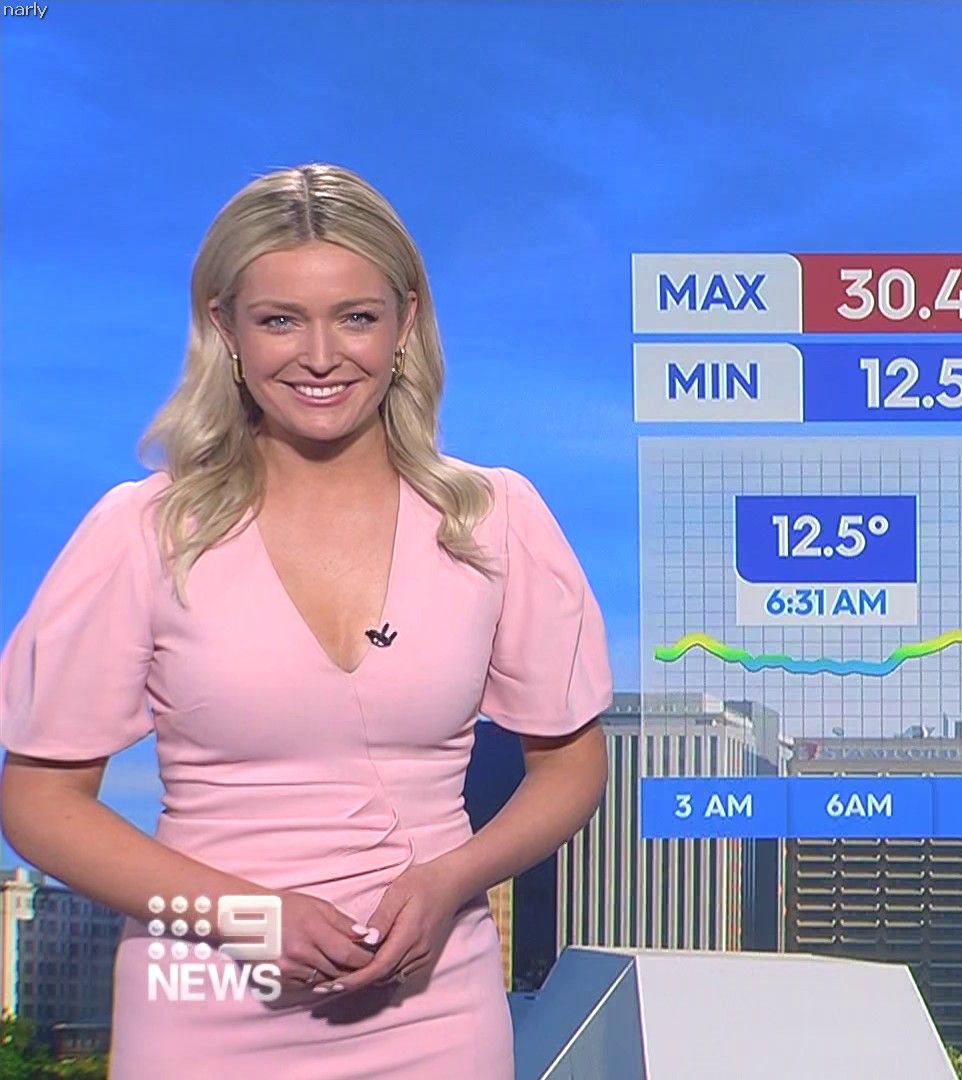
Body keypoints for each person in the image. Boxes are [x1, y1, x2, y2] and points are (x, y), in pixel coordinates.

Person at [0, 163, 613, 1078]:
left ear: (405, 324)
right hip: (203, 1004)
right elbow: (40, 804)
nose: (321, 356)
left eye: (356, 317)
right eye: (280, 320)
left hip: (434, 1008)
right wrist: (248, 918)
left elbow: (570, 767)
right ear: (226, 330)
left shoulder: (492, 520)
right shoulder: (143, 533)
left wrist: (451, 879)